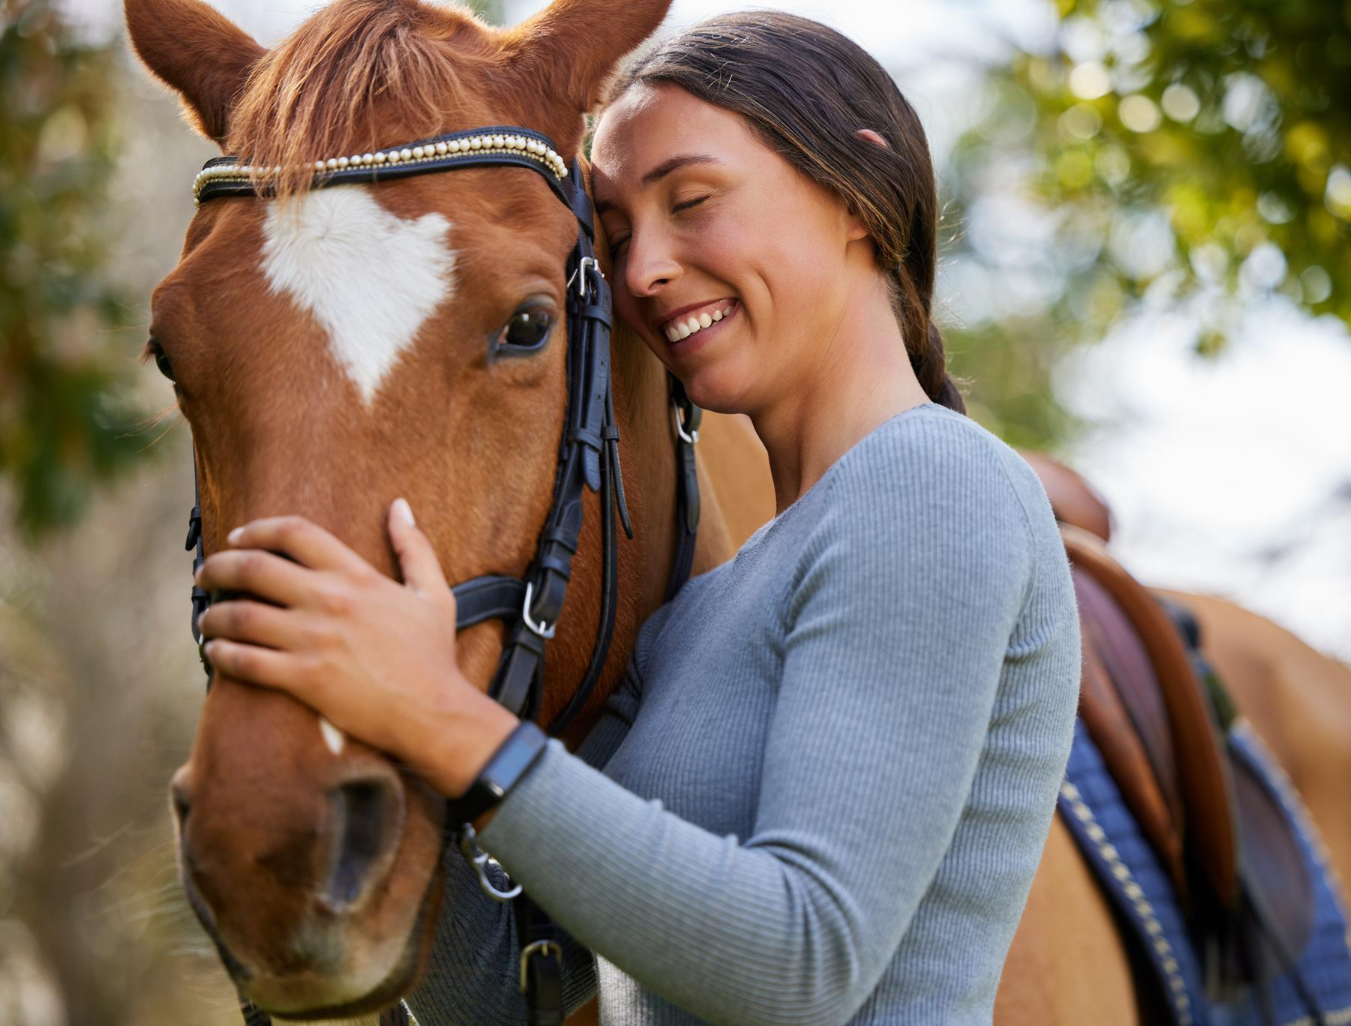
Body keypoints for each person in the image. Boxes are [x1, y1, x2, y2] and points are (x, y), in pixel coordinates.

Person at [196, 11, 1082, 1024]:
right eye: (613, 234)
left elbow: (806, 962)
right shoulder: (698, 611)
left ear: (855, 194)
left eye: (693, 201)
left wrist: (441, 721)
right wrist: (379, 719)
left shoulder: (928, 482)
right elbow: (502, 1003)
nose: (643, 270)